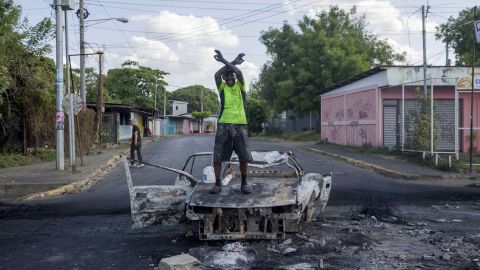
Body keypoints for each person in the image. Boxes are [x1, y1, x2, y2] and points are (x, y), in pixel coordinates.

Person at [210, 50, 251, 194]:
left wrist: (230, 63)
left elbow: (239, 73)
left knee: (243, 156)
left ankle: (244, 183)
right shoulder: (222, 88)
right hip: (223, 125)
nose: (229, 78)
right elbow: (216, 75)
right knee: (218, 156)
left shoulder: (241, 87)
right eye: (226, 76)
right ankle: (217, 184)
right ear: (224, 78)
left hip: (240, 124)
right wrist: (227, 61)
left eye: (231, 75)